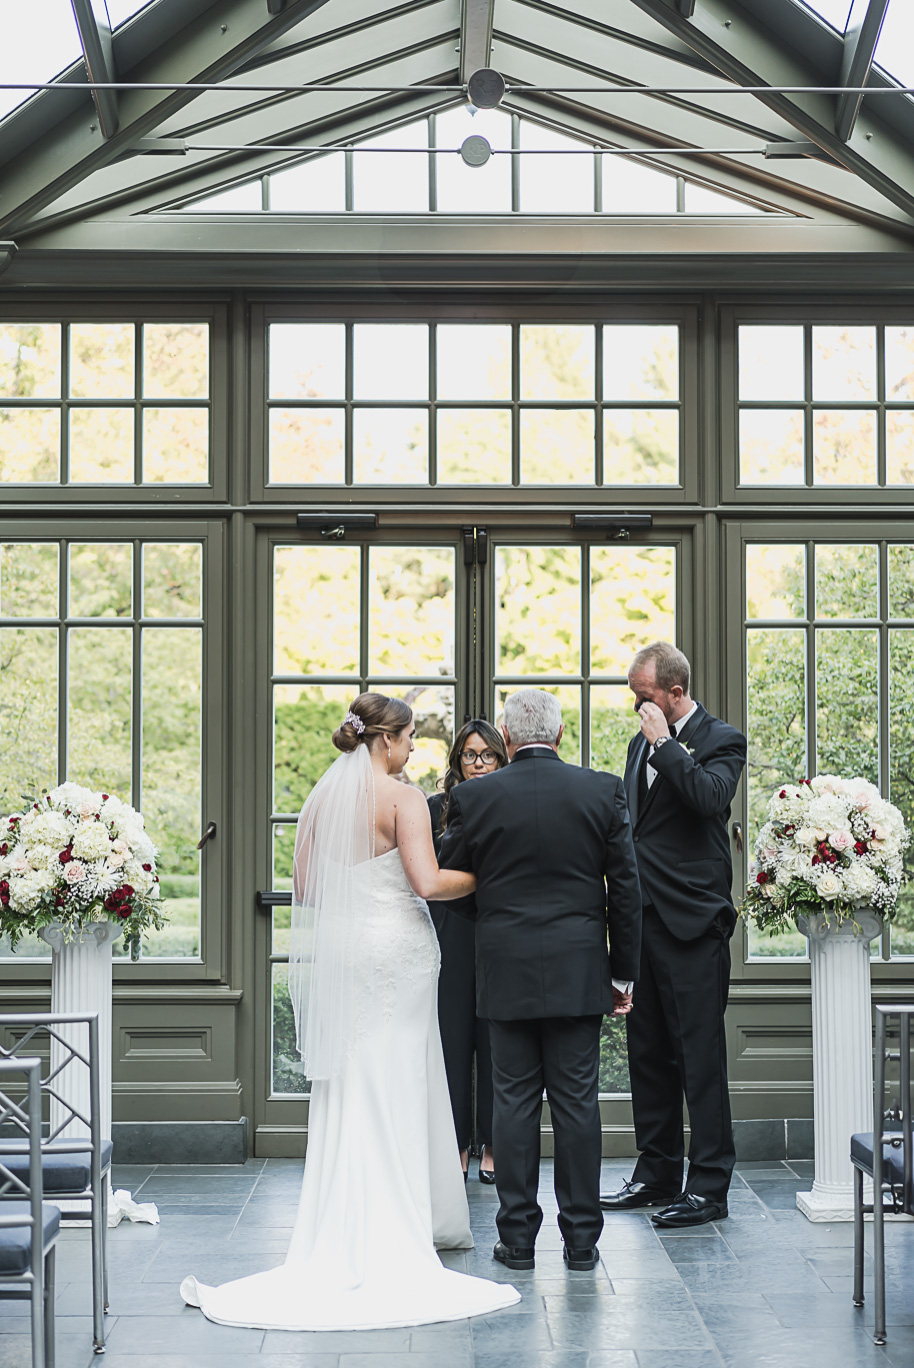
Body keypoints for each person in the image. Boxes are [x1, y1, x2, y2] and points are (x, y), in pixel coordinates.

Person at [181, 692, 520, 1329]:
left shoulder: (321, 798)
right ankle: (400, 1227)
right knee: (399, 1082)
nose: (416, 747)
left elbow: (307, 887)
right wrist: (493, 875)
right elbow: (428, 882)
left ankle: (344, 1230)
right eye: (412, 736)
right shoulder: (404, 798)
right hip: (398, 953)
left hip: (351, 954)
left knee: (356, 1084)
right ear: (386, 740)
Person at [439, 689, 642, 1273]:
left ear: (506, 736)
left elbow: (453, 879)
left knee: (514, 1104)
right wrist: (622, 972)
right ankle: (581, 1242)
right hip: (581, 970)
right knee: (578, 1104)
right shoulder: (601, 789)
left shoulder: (475, 796)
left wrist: (498, 923)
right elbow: (625, 891)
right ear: (558, 736)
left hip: (506, 971)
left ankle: (519, 1241)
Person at [601, 642, 747, 1229]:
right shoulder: (639, 743)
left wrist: (666, 743)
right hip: (643, 922)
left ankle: (708, 1187)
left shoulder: (720, 739)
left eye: (643, 695)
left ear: (674, 693)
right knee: (648, 1055)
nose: (636, 705)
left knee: (700, 1059)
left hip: (693, 925)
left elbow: (710, 799)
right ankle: (657, 1170)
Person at [428, 720, 509, 1185]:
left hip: (498, 931)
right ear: (457, 760)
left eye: (487, 755)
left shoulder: (511, 800)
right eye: (469, 755)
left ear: (501, 758)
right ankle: (457, 1142)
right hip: (452, 931)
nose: (478, 764)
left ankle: (494, 1144)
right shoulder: (435, 806)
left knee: (496, 1044)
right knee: (452, 1042)